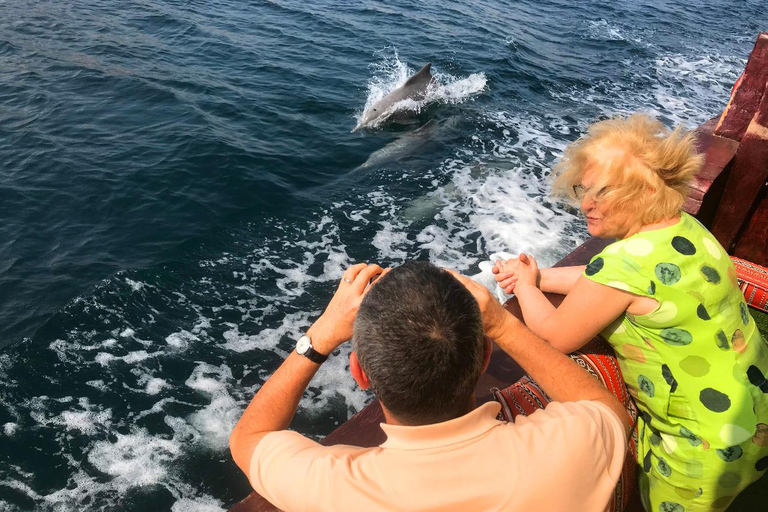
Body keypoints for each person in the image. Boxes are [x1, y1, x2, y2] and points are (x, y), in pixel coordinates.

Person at [493, 114, 768, 512]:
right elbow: (601, 281)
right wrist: (539, 275)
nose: (585, 204)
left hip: (700, 449)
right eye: (583, 190)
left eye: (601, 193)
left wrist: (522, 285)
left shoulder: (623, 265)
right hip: (753, 417)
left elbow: (553, 336)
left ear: (643, 191)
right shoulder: (685, 229)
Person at [229, 261, 630, 512]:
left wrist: (320, 336)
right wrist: (504, 325)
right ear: (485, 357)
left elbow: (250, 438)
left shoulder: (336, 491)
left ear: (360, 374)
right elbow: (601, 403)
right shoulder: (568, 447)